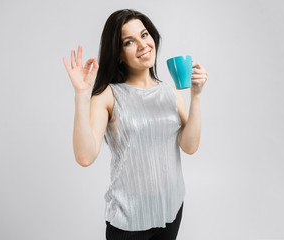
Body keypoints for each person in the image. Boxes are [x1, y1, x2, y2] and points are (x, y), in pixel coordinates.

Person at [62, 9, 207, 240]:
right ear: (118, 54)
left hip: (171, 209)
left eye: (145, 34)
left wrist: (196, 96)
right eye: (129, 41)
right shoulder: (108, 96)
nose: (143, 44)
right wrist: (81, 95)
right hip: (129, 220)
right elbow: (85, 157)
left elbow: (189, 146)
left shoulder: (170, 92)